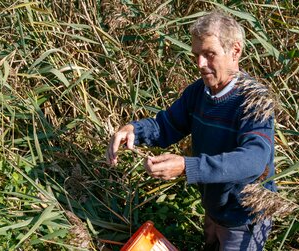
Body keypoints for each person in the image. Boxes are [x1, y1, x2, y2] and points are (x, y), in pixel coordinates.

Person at [106, 10, 275, 251]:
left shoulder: (255, 100)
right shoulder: (198, 92)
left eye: (209, 54)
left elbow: (253, 160)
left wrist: (188, 167)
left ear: (235, 51)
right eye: (196, 55)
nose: (200, 64)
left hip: (244, 217)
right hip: (213, 206)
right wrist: (134, 129)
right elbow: (167, 126)